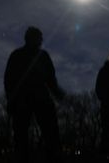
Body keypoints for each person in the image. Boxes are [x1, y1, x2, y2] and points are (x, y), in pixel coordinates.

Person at [4, 27, 65, 163]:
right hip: (22, 100)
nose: (40, 40)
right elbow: (9, 79)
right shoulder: (17, 55)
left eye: (40, 38)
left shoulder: (43, 56)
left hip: (41, 98)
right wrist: (10, 100)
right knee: (21, 137)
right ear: (29, 38)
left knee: (51, 134)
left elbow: (50, 78)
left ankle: (54, 156)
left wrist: (58, 93)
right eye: (38, 37)